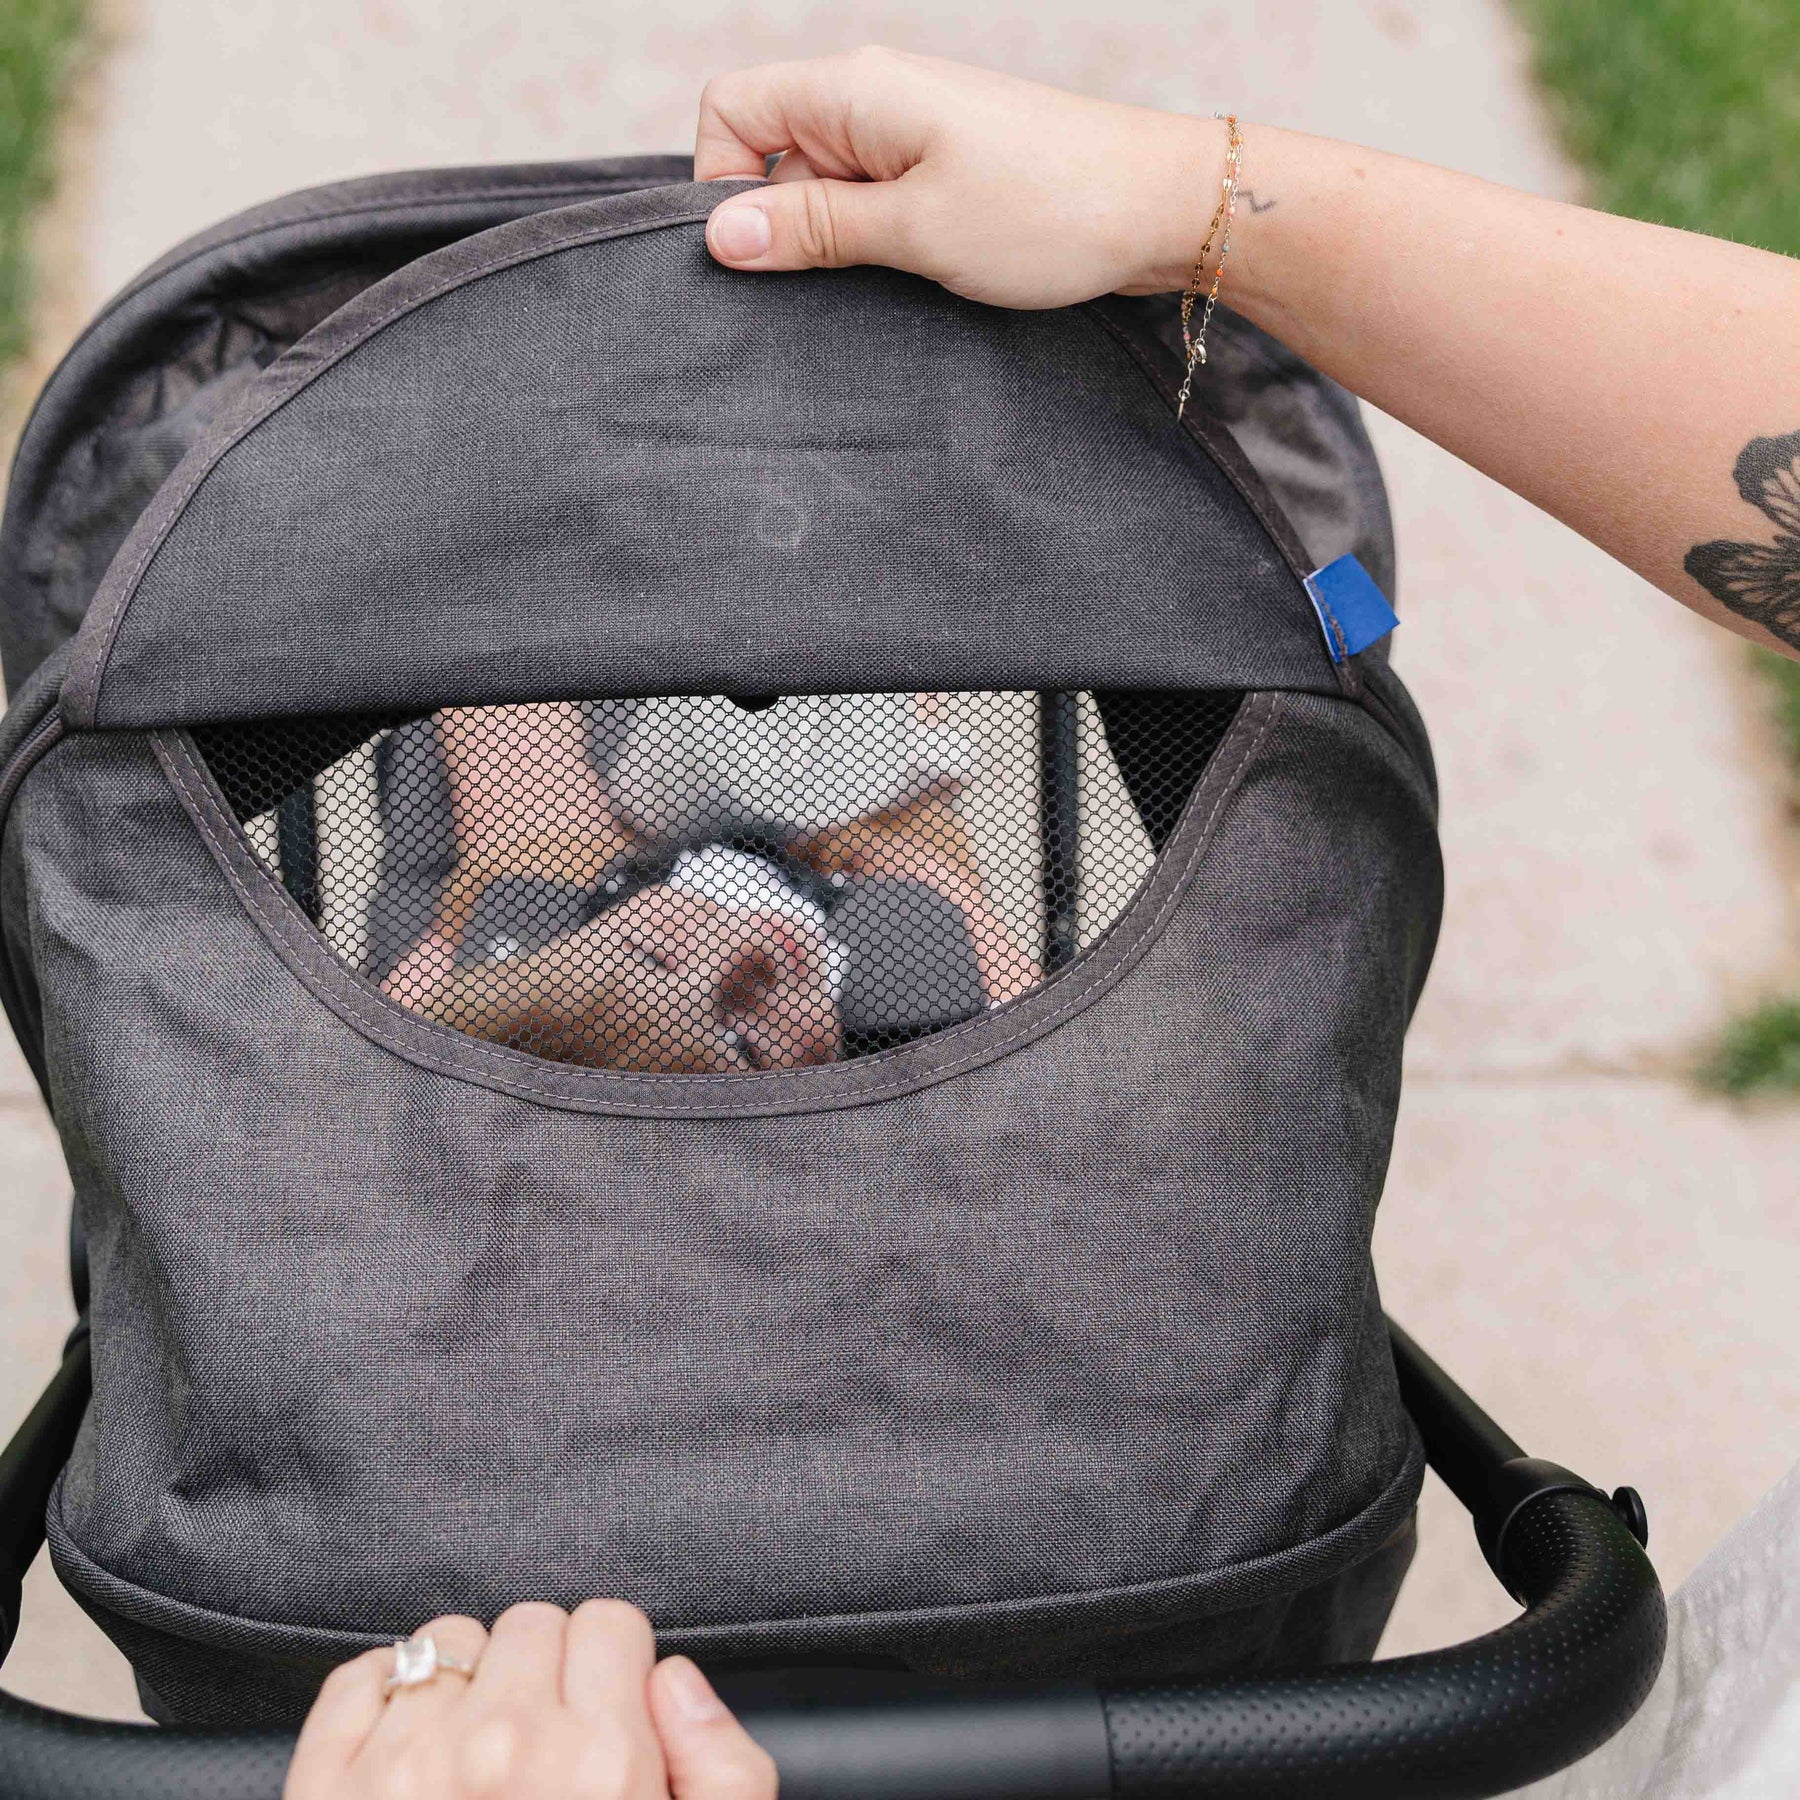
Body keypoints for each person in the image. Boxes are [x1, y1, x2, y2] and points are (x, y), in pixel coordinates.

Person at [284, 44, 1800, 1800]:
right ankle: (743, 828)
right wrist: (1181, 206)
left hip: (626, 1087)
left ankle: (605, 792)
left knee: (591, 914)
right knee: (912, 966)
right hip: (845, 1130)